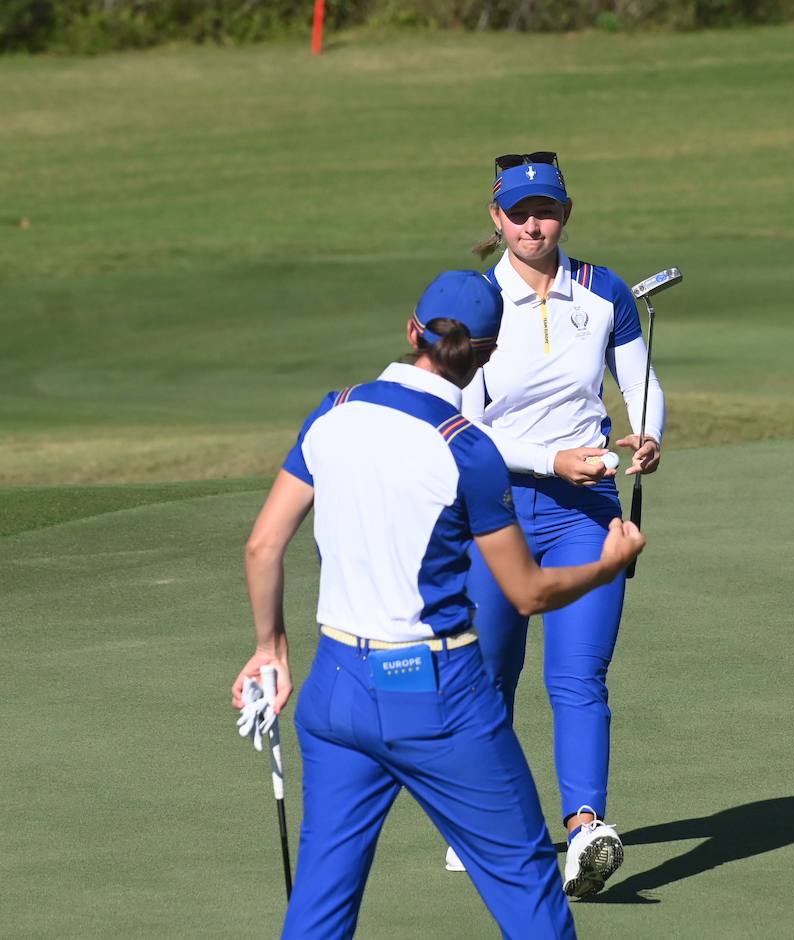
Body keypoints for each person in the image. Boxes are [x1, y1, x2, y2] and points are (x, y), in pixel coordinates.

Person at [230, 269, 645, 938]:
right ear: (488, 353)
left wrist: (269, 650)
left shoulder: (333, 410)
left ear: (411, 331)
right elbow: (528, 591)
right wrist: (606, 564)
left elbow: (262, 547)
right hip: (434, 692)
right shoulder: (467, 449)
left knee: (321, 901)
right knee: (528, 887)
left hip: (334, 688)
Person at [440, 152, 666, 899]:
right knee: (488, 678)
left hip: (587, 511)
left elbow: (639, 381)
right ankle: (482, 823)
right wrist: (549, 460)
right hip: (493, 511)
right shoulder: (474, 302)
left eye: (546, 212)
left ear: (565, 214)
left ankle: (585, 829)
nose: (533, 226)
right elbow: (460, 424)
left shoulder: (604, 292)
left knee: (578, 676)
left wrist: (648, 433)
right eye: (519, 214)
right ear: (496, 217)